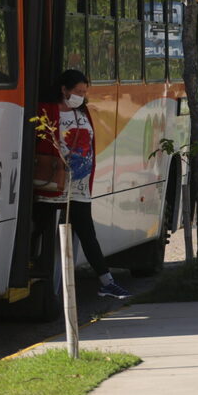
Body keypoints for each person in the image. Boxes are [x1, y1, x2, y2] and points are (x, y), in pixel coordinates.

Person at [34, 69, 132, 300]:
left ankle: (106, 281)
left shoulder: (83, 111)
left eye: (84, 92)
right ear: (64, 89)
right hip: (54, 183)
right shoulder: (47, 111)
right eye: (78, 91)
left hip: (78, 186)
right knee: (39, 226)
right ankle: (28, 268)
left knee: (87, 233)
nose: (81, 95)